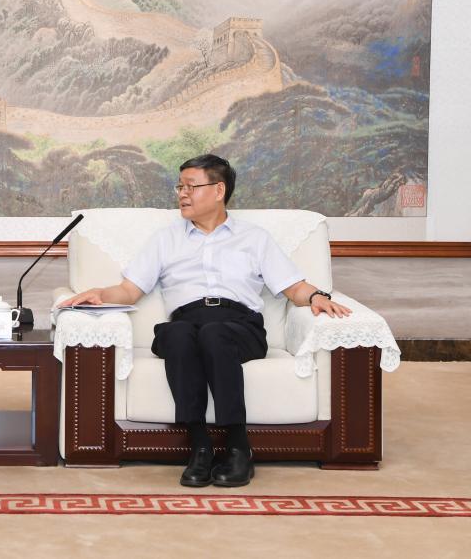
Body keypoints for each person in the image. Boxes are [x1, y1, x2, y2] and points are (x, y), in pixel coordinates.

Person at [59, 154, 351, 487]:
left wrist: (316, 297)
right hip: (186, 322)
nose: (182, 194)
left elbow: (294, 287)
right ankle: (200, 446)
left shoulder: (254, 238)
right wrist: (99, 293)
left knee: (214, 334)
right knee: (178, 335)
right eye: (180, 187)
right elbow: (129, 290)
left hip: (240, 326)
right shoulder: (166, 239)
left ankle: (239, 447)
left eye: (191, 186)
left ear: (218, 190)